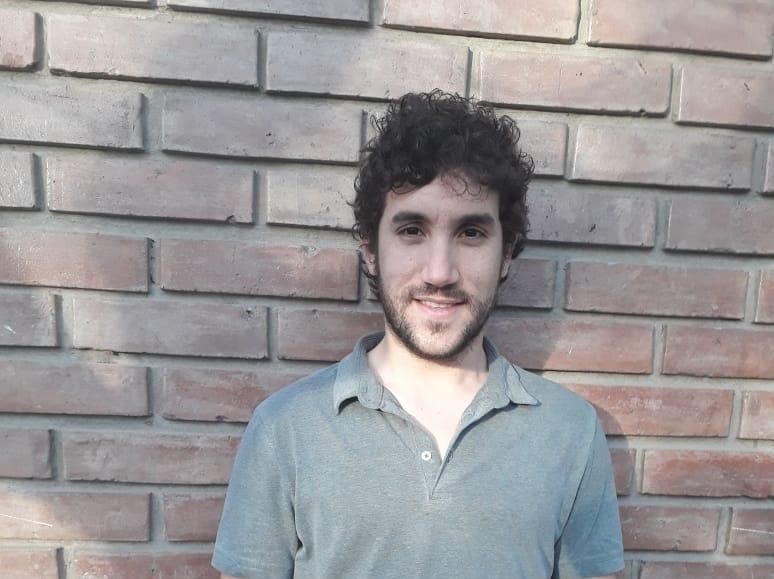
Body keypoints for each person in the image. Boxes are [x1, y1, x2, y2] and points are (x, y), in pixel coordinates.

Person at [213, 90, 624, 579]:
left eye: (471, 233)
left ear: (506, 254)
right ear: (370, 250)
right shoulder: (286, 429)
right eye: (412, 230)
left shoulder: (570, 432)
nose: (439, 272)